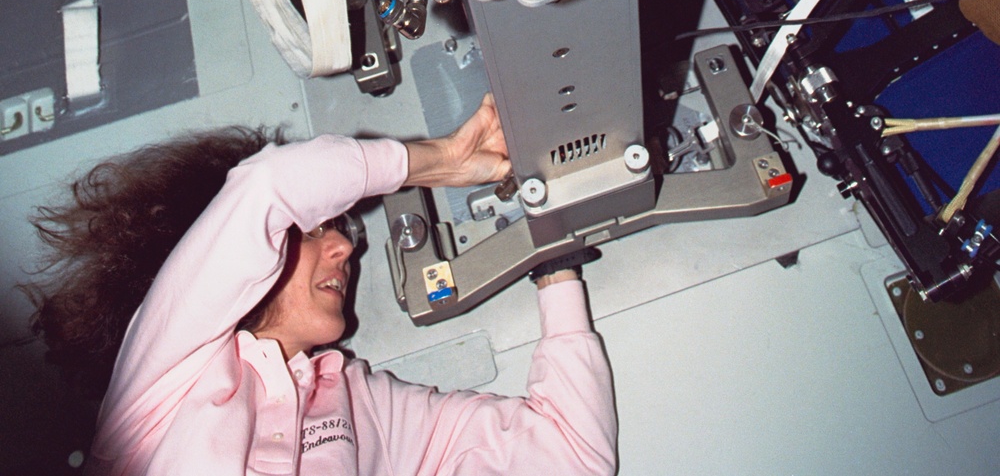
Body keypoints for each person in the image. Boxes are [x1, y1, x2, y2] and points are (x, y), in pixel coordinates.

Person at [28, 96, 617, 476]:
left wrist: (555, 262)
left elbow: (568, 457)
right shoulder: (168, 370)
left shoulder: (356, 402)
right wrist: (441, 161)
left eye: (340, 234)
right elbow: (270, 185)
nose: (345, 249)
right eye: (311, 232)